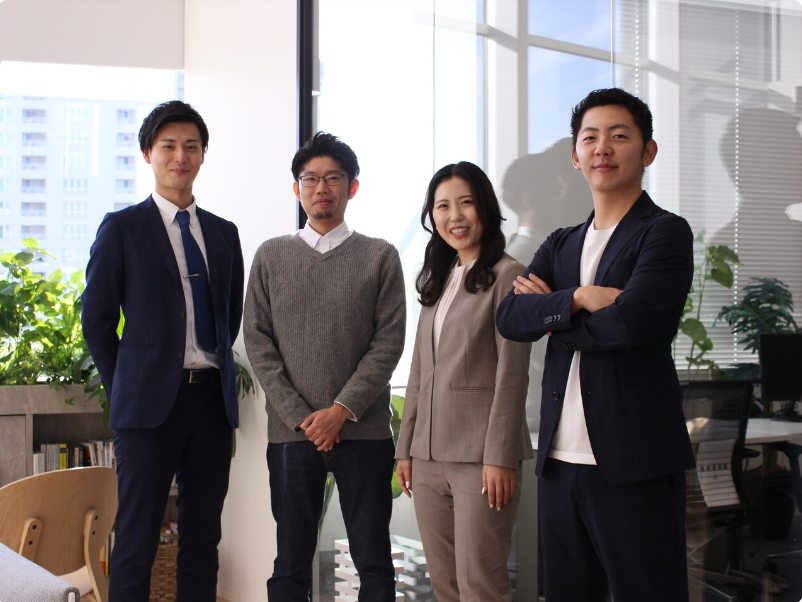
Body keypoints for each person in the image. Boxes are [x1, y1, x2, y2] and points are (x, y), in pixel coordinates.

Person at [496, 88, 695, 602]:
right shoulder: (560, 242)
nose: (602, 148)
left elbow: (629, 325)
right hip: (559, 462)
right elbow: (511, 317)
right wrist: (581, 298)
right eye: (590, 138)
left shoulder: (664, 233)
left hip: (634, 462)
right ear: (575, 156)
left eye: (619, 136)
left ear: (648, 151)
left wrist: (552, 316)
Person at [81, 100, 244, 602]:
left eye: (191, 147)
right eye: (168, 146)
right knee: (136, 541)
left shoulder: (223, 233)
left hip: (210, 405)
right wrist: (127, 386)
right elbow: (97, 320)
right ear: (148, 153)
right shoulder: (122, 228)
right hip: (146, 408)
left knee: (203, 540)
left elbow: (229, 315)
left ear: (202, 155)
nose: (180, 156)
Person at [243, 132, 406, 601]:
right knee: (290, 564)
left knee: (374, 563)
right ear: (297, 188)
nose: (321, 188)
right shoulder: (271, 255)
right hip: (292, 435)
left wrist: (340, 411)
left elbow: (388, 342)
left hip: (364, 433)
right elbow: (258, 342)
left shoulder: (380, 256)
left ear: (352, 187)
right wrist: (302, 417)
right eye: (310, 179)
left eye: (333, 178)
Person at [395, 161, 532, 602]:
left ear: (485, 208)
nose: (455, 216)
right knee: (445, 586)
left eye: (466, 203)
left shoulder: (509, 275)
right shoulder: (439, 278)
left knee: (481, 586)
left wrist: (500, 456)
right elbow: (420, 373)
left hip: (481, 458)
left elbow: (512, 372)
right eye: (443, 206)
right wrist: (406, 449)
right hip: (427, 457)